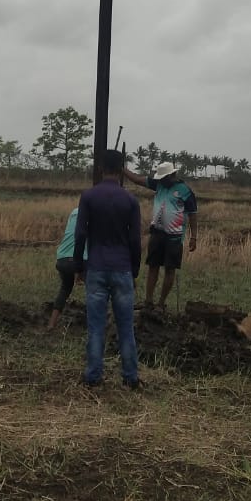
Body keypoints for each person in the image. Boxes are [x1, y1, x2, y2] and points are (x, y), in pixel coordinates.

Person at [73, 149, 143, 389]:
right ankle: (130, 377)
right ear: (122, 169)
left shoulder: (89, 197)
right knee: (126, 327)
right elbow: (135, 240)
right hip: (122, 267)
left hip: (96, 266)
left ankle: (93, 377)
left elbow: (80, 233)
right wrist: (134, 271)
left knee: (96, 326)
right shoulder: (130, 201)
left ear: (101, 168)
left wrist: (78, 266)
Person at [123, 160, 198, 311]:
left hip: (175, 237)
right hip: (157, 234)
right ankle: (148, 301)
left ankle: (161, 303)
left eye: (165, 178)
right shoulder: (158, 184)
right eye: (161, 178)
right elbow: (137, 179)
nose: (162, 180)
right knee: (153, 266)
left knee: (170, 269)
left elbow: (193, 214)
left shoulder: (185, 190)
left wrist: (193, 237)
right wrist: (121, 169)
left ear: (173, 175)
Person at [47, 205, 86, 330]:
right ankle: (96, 324)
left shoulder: (74, 212)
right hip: (80, 259)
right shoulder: (97, 214)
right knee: (96, 290)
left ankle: (51, 324)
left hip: (62, 258)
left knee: (65, 289)